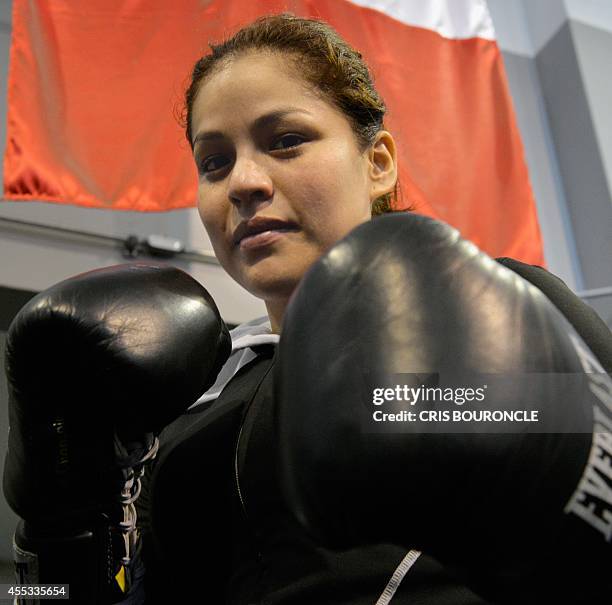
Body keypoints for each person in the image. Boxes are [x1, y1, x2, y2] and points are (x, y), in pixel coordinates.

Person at [4, 12, 612, 605]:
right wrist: (52, 528)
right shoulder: (189, 416)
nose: (243, 181)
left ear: (378, 164)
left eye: (286, 141)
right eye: (213, 161)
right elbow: (54, 598)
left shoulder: (500, 313)